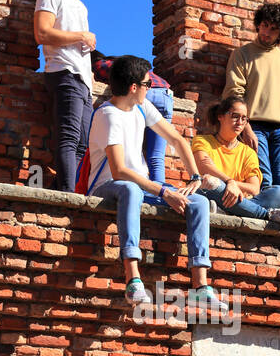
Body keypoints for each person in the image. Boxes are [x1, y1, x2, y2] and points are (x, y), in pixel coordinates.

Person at [86, 54, 227, 314]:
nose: (149, 88)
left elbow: (178, 141)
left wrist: (194, 177)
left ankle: (200, 286)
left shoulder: (141, 107)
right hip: (109, 186)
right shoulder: (107, 115)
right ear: (133, 88)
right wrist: (164, 191)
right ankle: (133, 278)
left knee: (199, 201)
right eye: (147, 84)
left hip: (141, 187)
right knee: (129, 189)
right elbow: (119, 171)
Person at [34, 0, 105, 192]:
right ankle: (68, 195)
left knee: (83, 145)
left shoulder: (81, 7)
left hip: (83, 81)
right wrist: (81, 36)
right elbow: (42, 33)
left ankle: (70, 189)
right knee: (69, 138)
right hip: (64, 73)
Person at [224, 2, 280, 188]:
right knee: (263, 181)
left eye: (274, 29)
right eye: (265, 25)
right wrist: (247, 129)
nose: (267, 32)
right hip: (254, 127)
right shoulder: (242, 54)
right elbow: (234, 94)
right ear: (258, 23)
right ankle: (264, 215)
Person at [192, 96, 280, 229]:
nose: (240, 122)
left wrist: (232, 184)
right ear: (220, 116)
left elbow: (254, 188)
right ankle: (267, 215)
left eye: (244, 119)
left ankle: (228, 211)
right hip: (212, 194)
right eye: (235, 116)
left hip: (240, 201)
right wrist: (229, 182)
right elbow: (204, 168)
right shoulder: (202, 141)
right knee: (210, 182)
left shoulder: (248, 152)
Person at [93, 55, 173, 185]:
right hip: (166, 95)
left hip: (149, 94)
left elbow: (120, 84)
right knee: (157, 156)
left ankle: (156, 190)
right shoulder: (138, 69)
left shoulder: (103, 64)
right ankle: (159, 186)